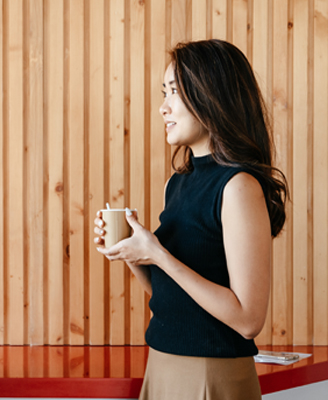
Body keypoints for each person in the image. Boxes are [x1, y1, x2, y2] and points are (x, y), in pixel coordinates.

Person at [94, 39, 288, 400]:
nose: (162, 107)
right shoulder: (177, 183)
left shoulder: (238, 186)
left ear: (209, 97)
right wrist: (135, 254)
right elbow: (175, 296)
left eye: (173, 93)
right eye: (163, 92)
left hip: (210, 375)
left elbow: (248, 320)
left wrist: (159, 254)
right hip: (162, 364)